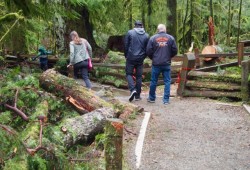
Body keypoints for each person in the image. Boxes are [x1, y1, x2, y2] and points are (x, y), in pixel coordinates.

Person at [146, 24, 178, 105]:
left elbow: (148, 51)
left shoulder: (153, 38)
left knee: (153, 81)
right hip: (166, 63)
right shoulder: (171, 38)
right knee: (167, 81)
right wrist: (169, 56)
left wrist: (153, 58)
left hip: (156, 63)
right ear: (165, 29)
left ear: (158, 30)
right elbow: (175, 50)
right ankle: (166, 100)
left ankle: (152, 98)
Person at [124, 20, 149, 102]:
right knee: (139, 77)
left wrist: (126, 55)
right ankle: (138, 96)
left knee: (128, 74)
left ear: (135, 26)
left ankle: (132, 89)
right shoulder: (146, 35)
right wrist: (143, 56)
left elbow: (126, 45)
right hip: (140, 59)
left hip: (130, 58)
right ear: (142, 26)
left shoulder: (130, 33)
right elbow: (147, 49)